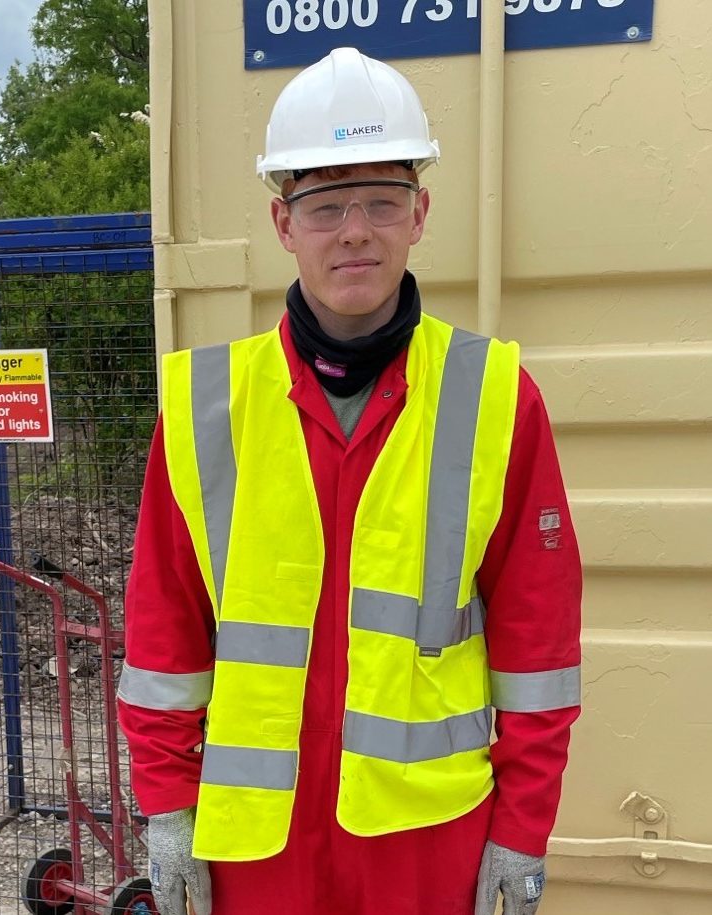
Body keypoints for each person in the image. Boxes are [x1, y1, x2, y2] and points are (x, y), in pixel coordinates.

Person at [117, 47, 582, 915]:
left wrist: (521, 832)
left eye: (381, 199)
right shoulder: (204, 403)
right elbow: (162, 638)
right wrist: (168, 810)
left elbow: (539, 645)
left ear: (421, 212)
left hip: (426, 844)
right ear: (283, 223)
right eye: (325, 204)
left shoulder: (492, 396)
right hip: (258, 847)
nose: (355, 229)